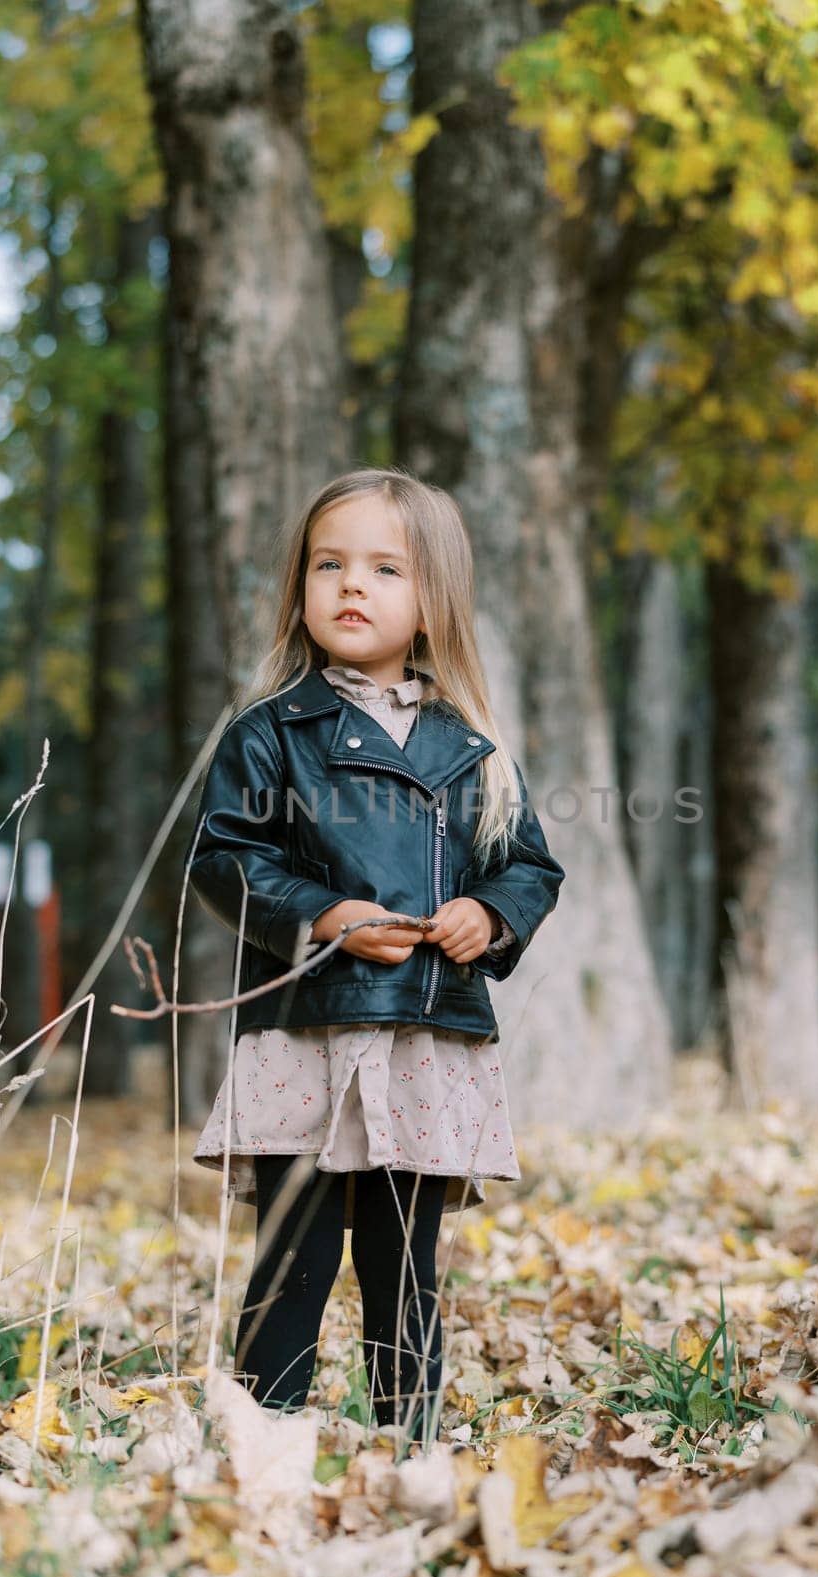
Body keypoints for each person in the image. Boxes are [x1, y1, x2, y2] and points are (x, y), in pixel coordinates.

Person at [185, 466, 565, 1445]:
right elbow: (222, 857)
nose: (351, 586)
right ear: (299, 587)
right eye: (329, 564)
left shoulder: (472, 749)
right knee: (293, 1251)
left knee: (405, 1257)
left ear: (432, 599)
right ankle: (262, 1436)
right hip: (304, 1030)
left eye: (384, 568)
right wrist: (320, 912)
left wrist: (490, 912)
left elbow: (528, 865)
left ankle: (412, 1440)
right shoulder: (271, 732)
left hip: (423, 1032)